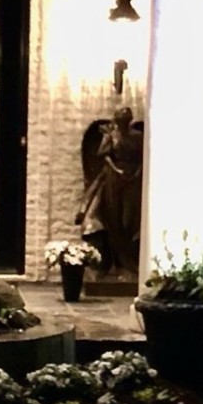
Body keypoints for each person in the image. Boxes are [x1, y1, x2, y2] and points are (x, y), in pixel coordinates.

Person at [77, 106, 144, 280]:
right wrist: (117, 169)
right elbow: (104, 155)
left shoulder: (137, 136)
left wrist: (137, 172)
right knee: (114, 219)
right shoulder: (111, 136)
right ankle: (115, 262)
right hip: (114, 178)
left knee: (129, 219)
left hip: (133, 178)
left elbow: (143, 156)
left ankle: (130, 261)